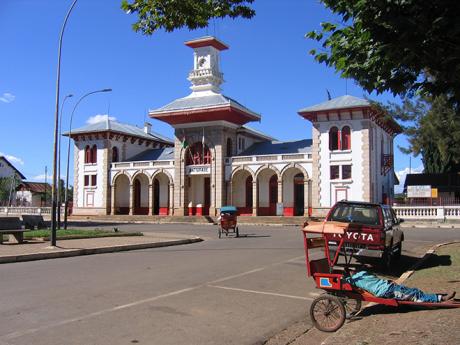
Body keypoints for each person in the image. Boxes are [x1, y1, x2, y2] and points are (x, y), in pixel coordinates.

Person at [344, 270, 456, 303]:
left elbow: (374, 278)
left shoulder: (360, 275)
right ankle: (440, 298)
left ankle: (437, 296)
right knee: (414, 294)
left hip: (388, 286)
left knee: (413, 291)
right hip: (386, 291)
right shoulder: (356, 278)